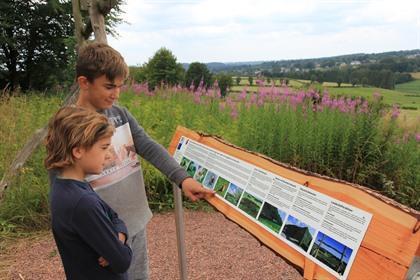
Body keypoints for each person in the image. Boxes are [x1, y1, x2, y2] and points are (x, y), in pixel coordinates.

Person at [49, 42, 215, 280]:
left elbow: (147, 146)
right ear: (84, 82)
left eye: (119, 86)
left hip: (133, 223)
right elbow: (61, 189)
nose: (115, 94)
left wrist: (183, 178)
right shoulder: (70, 126)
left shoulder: (120, 114)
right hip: (100, 235)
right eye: (108, 86)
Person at [45, 106, 132, 280]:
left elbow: (114, 217)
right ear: (78, 151)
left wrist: (119, 237)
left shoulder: (65, 187)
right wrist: (119, 246)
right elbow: (122, 260)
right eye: (104, 147)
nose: (109, 155)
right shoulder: (82, 202)